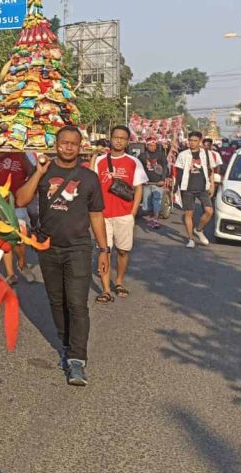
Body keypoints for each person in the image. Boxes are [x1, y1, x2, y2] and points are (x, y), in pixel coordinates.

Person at [16, 126, 109, 387]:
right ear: (55, 144)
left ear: (81, 147)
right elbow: (21, 200)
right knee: (56, 301)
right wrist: (39, 173)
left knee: (77, 304)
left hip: (78, 248)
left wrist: (104, 249)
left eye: (73, 144)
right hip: (48, 248)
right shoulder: (44, 173)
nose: (68, 147)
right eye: (63, 143)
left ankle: (78, 360)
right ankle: (67, 345)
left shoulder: (89, 178)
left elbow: (96, 215)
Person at [95, 126, 148, 303]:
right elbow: (90, 181)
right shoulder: (100, 160)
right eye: (115, 137)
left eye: (122, 138)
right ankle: (106, 289)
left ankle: (118, 282)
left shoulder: (133, 162)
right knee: (105, 251)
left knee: (123, 251)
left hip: (124, 214)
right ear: (110, 138)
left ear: (127, 141)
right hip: (102, 215)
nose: (118, 141)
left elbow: (138, 188)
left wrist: (133, 212)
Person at [0, 151, 36, 284]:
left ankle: (22, 264)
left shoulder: (27, 153)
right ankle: (10, 274)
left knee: (20, 239)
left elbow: (32, 173)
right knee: (4, 238)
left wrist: (23, 155)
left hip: (18, 203)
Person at [174, 131, 217, 248]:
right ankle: (190, 239)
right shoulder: (183, 154)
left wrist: (212, 185)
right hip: (187, 188)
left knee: (209, 211)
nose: (192, 143)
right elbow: (178, 173)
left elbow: (211, 171)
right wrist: (174, 189)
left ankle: (199, 229)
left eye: (195, 141)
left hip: (203, 187)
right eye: (190, 141)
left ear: (199, 141)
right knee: (189, 214)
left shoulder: (207, 154)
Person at [137, 136, 171, 229]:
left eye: (154, 145)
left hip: (157, 183)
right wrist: (141, 180)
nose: (152, 147)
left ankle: (155, 220)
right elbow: (139, 169)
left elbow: (164, 168)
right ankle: (152, 217)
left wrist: (163, 180)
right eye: (150, 145)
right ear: (146, 146)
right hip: (147, 183)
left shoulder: (161, 155)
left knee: (156, 201)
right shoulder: (142, 156)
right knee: (146, 205)